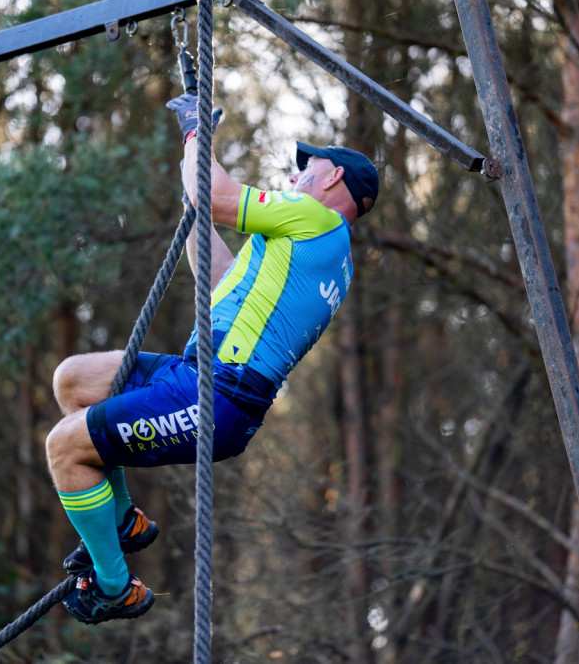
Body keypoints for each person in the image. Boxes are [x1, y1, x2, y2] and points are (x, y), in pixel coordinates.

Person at [47, 91, 380, 624]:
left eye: (308, 167)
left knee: (65, 449)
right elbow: (222, 277)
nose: (296, 176)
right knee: (75, 381)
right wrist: (196, 210)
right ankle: (123, 519)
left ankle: (114, 587)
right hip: (200, 374)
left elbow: (218, 193)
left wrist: (194, 132)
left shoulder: (313, 219)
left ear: (334, 177)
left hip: (220, 396)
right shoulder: (318, 249)